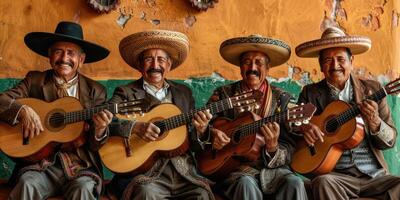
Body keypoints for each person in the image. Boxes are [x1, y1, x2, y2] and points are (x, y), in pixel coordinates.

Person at [0, 21, 113, 200]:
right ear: (50, 55)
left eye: (71, 53)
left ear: (81, 59)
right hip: (40, 164)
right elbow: (2, 100)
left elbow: (94, 145)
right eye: (58, 51)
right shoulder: (35, 80)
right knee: (27, 184)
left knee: (83, 189)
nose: (64, 58)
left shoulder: (96, 90)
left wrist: (99, 129)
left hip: (80, 166)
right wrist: (22, 110)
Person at [107, 30, 214, 200]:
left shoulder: (184, 93)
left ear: (169, 65)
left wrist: (201, 130)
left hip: (182, 173)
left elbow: (194, 144)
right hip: (145, 172)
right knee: (146, 193)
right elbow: (105, 122)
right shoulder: (126, 92)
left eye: (161, 60)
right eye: (149, 59)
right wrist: (135, 127)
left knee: (201, 194)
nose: (155, 65)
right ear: (140, 64)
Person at [295, 26, 400, 199]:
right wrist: (305, 127)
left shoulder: (373, 90)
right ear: (321, 65)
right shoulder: (311, 93)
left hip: (374, 176)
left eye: (340, 59)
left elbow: (390, 141)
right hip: (336, 177)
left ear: (352, 61)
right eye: (328, 60)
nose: (335, 65)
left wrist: (375, 122)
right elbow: (293, 125)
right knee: (322, 183)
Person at [206, 34, 308, 200]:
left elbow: (290, 147)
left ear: (268, 69)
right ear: (240, 67)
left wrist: (273, 147)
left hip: (274, 171)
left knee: (294, 183)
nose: (252, 67)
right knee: (245, 183)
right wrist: (212, 134)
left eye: (259, 63)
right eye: (247, 62)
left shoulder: (283, 99)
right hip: (235, 169)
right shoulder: (224, 94)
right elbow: (203, 129)